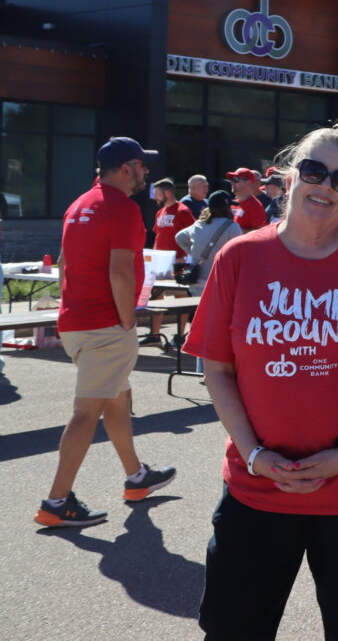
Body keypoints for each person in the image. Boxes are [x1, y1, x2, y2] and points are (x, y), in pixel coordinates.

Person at [185, 119, 338, 639]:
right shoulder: (240, 257)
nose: (326, 187)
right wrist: (254, 455)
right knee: (232, 629)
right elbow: (217, 369)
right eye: (315, 171)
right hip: (257, 489)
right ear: (288, 176)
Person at [35, 137, 177, 528]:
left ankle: (136, 477)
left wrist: (74, 309)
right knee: (86, 413)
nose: (146, 173)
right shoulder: (124, 208)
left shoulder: (78, 204)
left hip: (76, 323)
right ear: (127, 168)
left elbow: (63, 265)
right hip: (106, 325)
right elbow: (120, 269)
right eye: (142, 166)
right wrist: (128, 319)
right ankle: (56, 502)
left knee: (118, 395)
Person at [147, 177, 197, 344]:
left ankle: (181, 335)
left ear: (167, 193)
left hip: (178, 261)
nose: (155, 197)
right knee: (156, 295)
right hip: (160, 263)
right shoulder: (160, 212)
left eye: (157, 193)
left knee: (181, 297)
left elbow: (192, 235)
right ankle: (154, 335)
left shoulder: (182, 211)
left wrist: (186, 258)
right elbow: (158, 236)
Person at [173, 190, 242, 298]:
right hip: (218, 284)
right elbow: (241, 253)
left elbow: (179, 237)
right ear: (227, 208)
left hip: (195, 284)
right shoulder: (232, 227)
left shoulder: (198, 224)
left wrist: (195, 253)